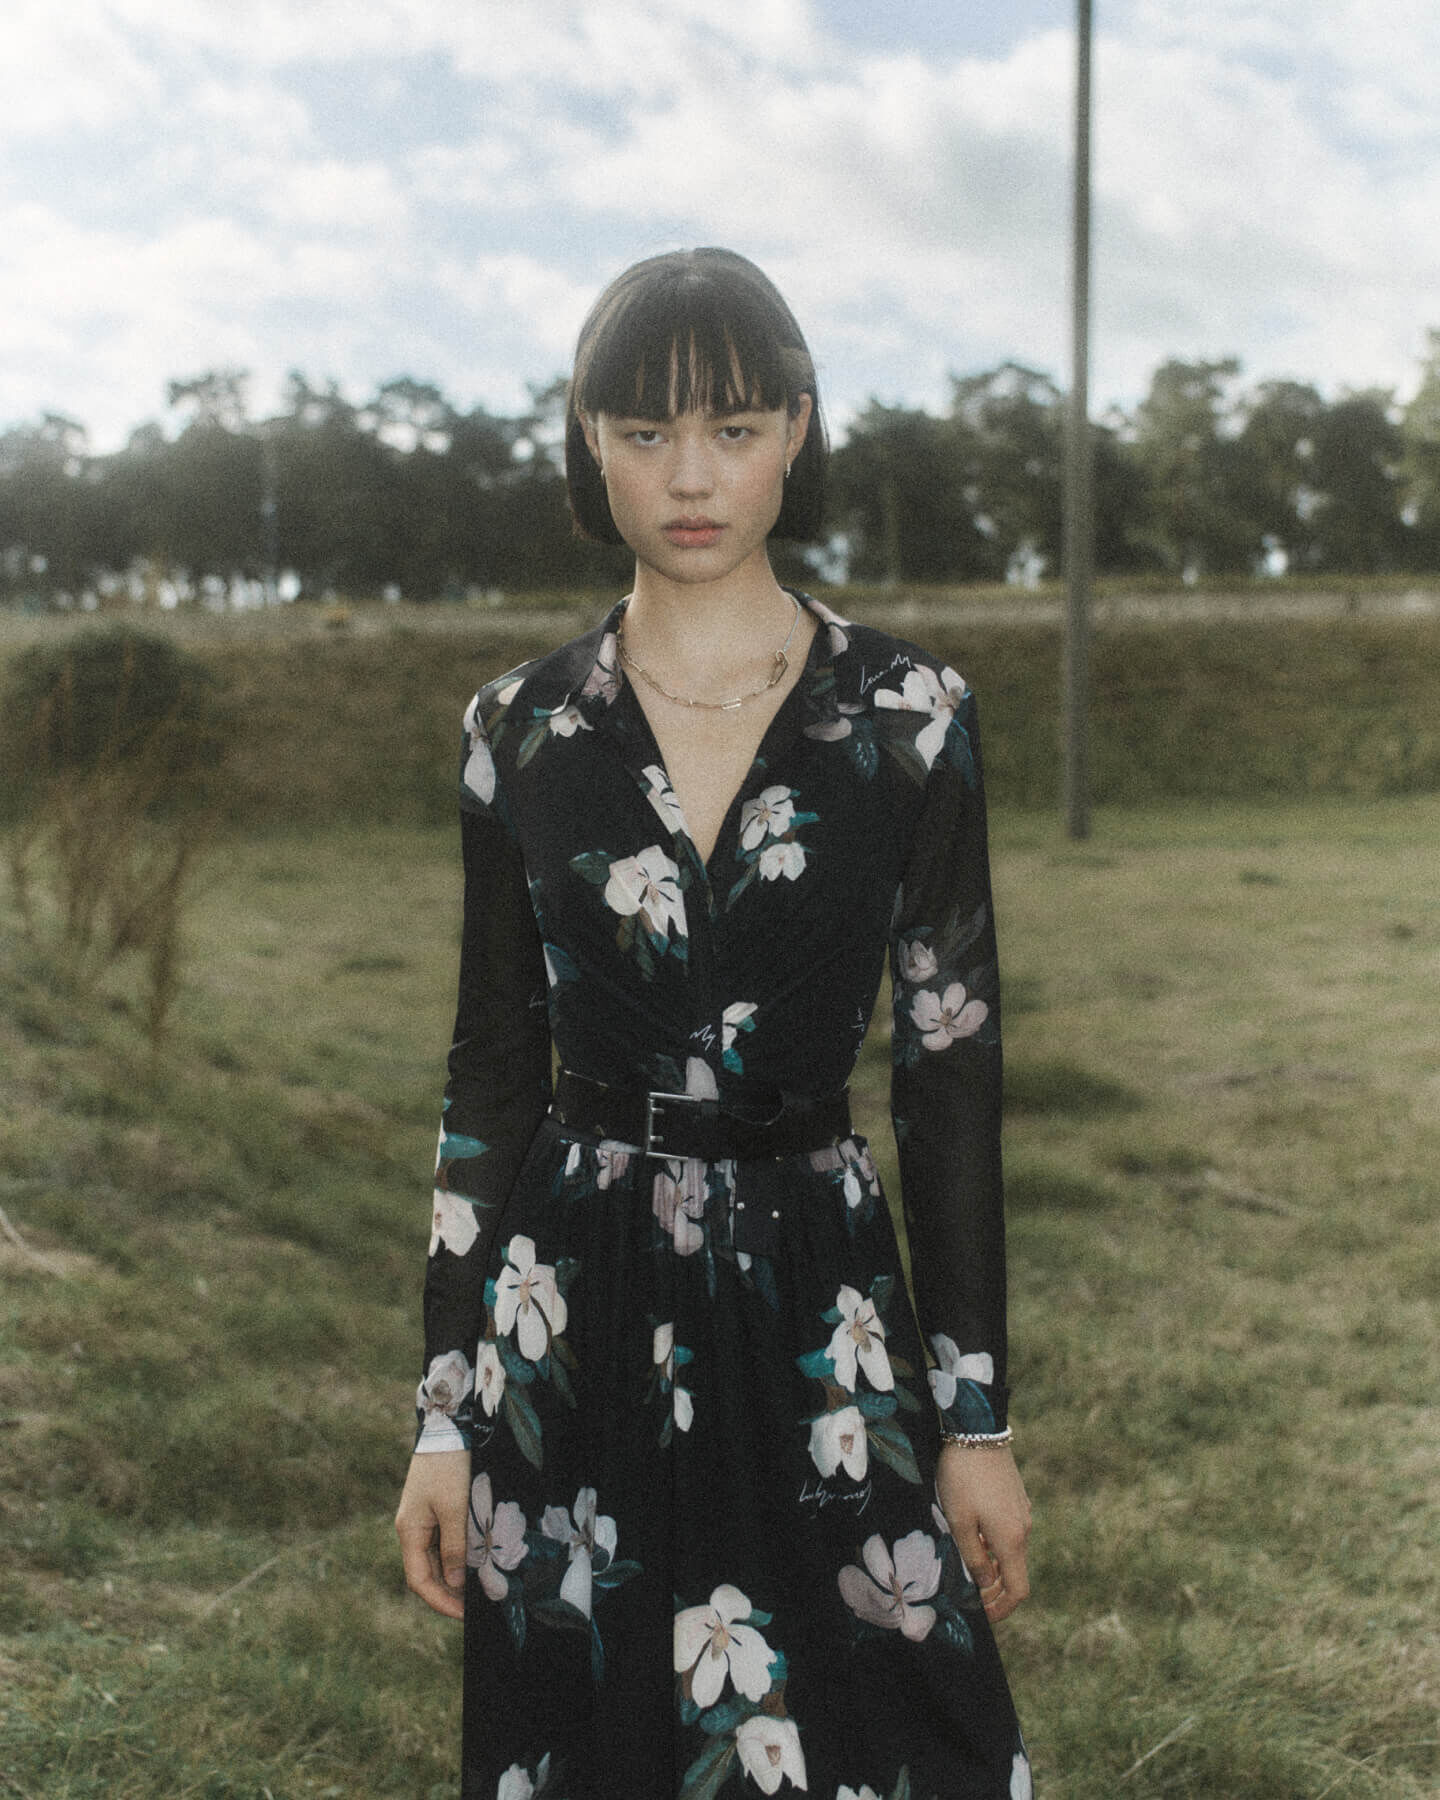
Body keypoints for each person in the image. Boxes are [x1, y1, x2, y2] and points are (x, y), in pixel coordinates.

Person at [395, 247, 1034, 1800]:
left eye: (735, 429)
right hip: (573, 1300)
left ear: (801, 431)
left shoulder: (911, 719)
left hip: (827, 1305)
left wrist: (976, 1419)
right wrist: (444, 1410)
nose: (690, 476)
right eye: (643, 432)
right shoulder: (520, 731)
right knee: (594, 1741)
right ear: (587, 442)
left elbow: (948, 1081)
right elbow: (492, 1074)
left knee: (900, 1734)